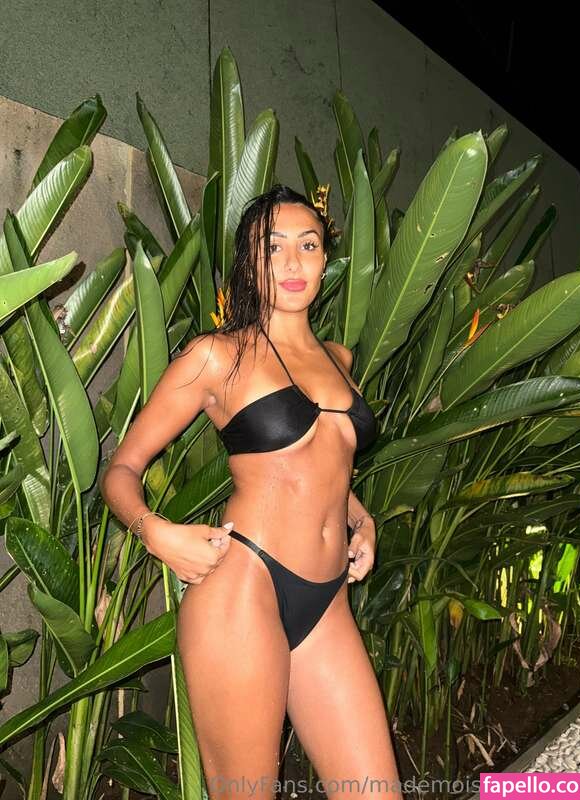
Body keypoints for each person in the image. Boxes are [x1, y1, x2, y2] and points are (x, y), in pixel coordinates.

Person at [100, 184, 403, 799]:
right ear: (250, 262)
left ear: (325, 258)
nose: (292, 262)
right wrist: (156, 533)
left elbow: (321, 464)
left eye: (308, 245)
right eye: (273, 247)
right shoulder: (217, 357)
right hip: (243, 587)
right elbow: (121, 469)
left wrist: (362, 520)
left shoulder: (340, 359)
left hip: (327, 599)